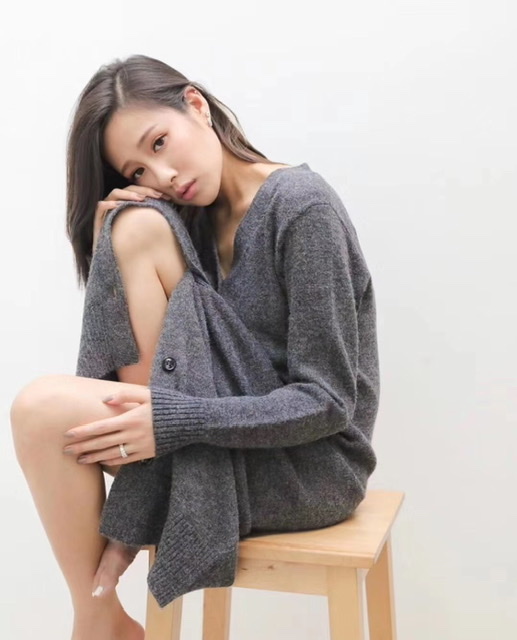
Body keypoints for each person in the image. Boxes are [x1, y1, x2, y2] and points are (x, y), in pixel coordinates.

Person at [10, 54, 380, 639]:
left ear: (196, 105)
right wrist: (110, 251)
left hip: (310, 467)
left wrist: (175, 422)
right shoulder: (188, 219)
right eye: (138, 168)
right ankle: (99, 616)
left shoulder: (300, 205)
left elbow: (328, 402)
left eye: (160, 142)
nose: (163, 174)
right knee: (39, 410)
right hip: (212, 438)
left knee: (44, 404)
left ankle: (99, 619)